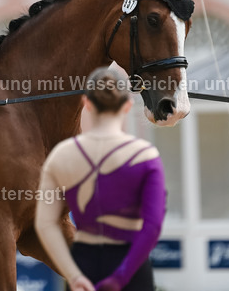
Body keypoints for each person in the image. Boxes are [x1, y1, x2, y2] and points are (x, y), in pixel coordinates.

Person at [35, 67, 166, 291]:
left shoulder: (61, 155)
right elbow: (152, 227)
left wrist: (74, 276)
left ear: (87, 103)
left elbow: (45, 224)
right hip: (131, 268)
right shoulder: (145, 155)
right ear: (128, 105)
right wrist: (121, 277)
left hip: (84, 264)